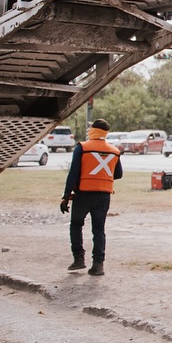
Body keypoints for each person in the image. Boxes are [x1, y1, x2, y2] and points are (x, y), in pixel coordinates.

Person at [60, 118, 123, 276]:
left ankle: (79, 259)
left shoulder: (83, 147)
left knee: (76, 225)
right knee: (99, 229)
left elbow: (73, 173)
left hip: (83, 194)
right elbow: (118, 174)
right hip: (103, 196)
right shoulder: (114, 151)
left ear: (93, 130)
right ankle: (98, 264)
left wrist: (66, 196)